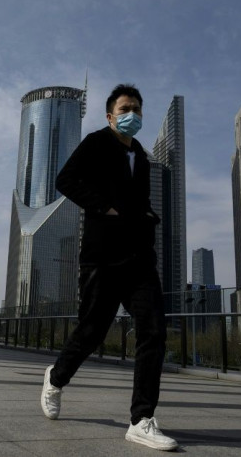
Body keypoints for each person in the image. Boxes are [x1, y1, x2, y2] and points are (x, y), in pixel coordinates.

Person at [40, 84, 177, 451]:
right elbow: (64, 180)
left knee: (154, 330)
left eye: (137, 108)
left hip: (139, 259)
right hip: (102, 257)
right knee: (91, 331)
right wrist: (104, 207)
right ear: (110, 115)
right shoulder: (96, 143)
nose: (132, 113)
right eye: (125, 108)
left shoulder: (143, 158)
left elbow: (141, 199)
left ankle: (141, 419)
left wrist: (148, 216)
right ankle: (55, 377)